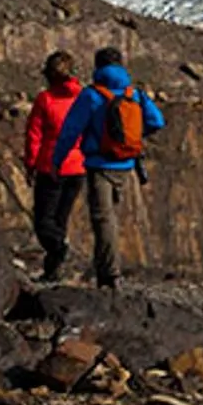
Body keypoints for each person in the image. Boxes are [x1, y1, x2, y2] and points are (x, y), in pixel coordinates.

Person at [50, 47, 164, 290]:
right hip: (127, 165)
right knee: (113, 218)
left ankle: (110, 275)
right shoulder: (135, 93)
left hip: (100, 165)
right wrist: (132, 136)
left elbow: (71, 130)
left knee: (104, 220)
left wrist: (57, 160)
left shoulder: (91, 95)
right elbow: (157, 121)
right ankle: (108, 270)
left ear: (97, 68)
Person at [24, 51, 87, 283]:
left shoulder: (46, 100)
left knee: (44, 222)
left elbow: (34, 136)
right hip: (78, 168)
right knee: (59, 220)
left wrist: (30, 164)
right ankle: (52, 271)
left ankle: (59, 249)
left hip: (51, 168)